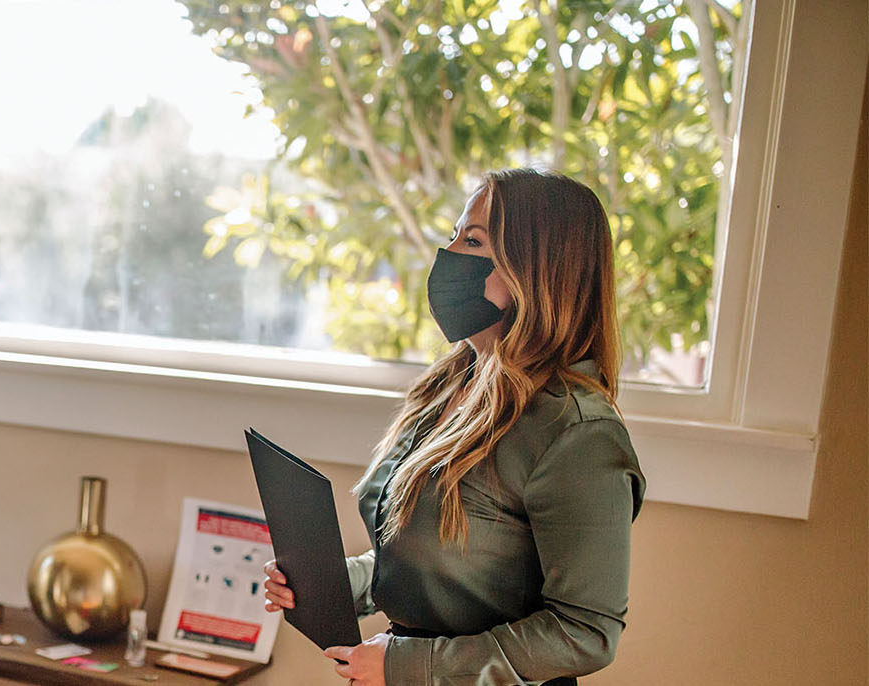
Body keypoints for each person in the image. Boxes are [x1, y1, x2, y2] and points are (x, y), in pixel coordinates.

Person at [262, 169, 646, 686]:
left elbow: (585, 630)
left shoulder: (578, 433)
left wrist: (408, 665)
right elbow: (428, 563)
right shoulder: (450, 385)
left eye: (473, 240)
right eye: (454, 235)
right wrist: (324, 585)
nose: (449, 254)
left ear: (533, 269)